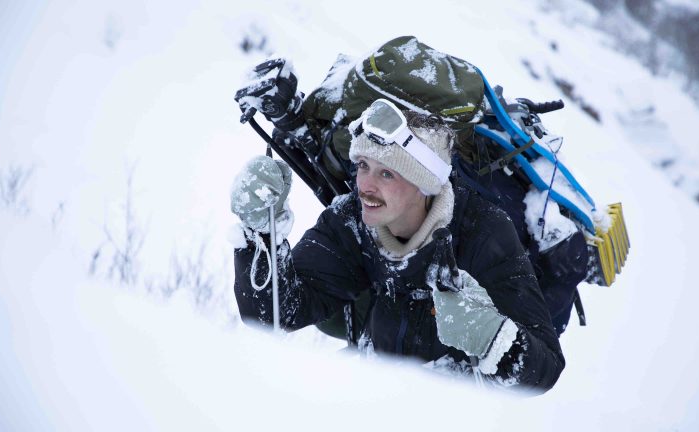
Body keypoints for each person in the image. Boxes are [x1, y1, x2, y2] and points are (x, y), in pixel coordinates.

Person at [230, 99, 564, 393]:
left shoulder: (483, 232)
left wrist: (490, 334)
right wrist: (260, 234)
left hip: (455, 405)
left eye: (387, 174)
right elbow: (274, 314)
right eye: (363, 166)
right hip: (372, 389)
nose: (365, 185)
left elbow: (546, 369)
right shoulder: (352, 220)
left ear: (424, 183)